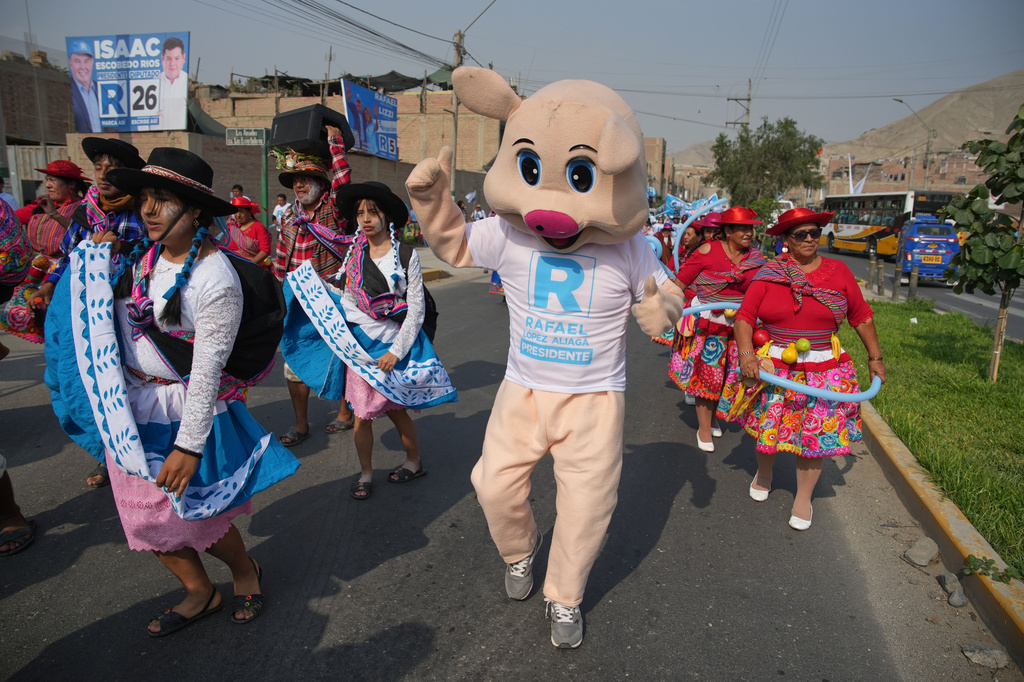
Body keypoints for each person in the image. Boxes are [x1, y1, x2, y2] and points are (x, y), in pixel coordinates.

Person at [44, 147, 299, 634]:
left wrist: (188, 446)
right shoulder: (139, 260)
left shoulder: (215, 279)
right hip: (128, 411)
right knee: (144, 521)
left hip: (181, 412)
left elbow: (205, 375)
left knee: (193, 518)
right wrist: (93, 265)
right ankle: (199, 592)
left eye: (163, 200)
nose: (148, 210)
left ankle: (245, 570)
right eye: (145, 199)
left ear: (195, 207)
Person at [284, 182, 457, 500]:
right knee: (362, 416)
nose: (365, 218)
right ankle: (365, 472)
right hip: (357, 349)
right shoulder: (354, 253)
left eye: (372, 212)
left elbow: (415, 310)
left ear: (387, 217)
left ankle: (414, 461)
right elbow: (348, 297)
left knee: (395, 412)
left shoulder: (405, 255)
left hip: (389, 345)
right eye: (360, 213)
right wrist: (316, 287)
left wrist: (396, 351)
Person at [733, 208, 884, 530]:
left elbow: (861, 316)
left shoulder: (839, 272)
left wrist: (875, 358)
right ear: (786, 240)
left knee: (815, 433)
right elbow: (745, 317)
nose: (810, 239)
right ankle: (764, 473)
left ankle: (803, 498)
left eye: (815, 232)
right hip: (775, 364)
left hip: (824, 365)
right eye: (801, 234)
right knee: (768, 426)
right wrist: (747, 355)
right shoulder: (768, 273)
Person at [272, 125, 356, 442]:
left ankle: (345, 411)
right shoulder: (288, 217)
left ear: (322, 182)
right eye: (296, 180)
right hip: (297, 298)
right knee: (294, 357)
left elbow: (344, 179)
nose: (299, 185)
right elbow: (281, 259)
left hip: (332, 294)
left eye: (306, 179)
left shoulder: (333, 208)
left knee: (343, 352)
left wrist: (334, 142)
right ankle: (301, 424)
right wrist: (278, 297)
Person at [675, 206, 767, 452]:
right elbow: (680, 283)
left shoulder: (756, 259)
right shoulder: (707, 250)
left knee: (729, 376)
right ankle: (704, 427)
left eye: (751, 229)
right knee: (709, 375)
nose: (749, 233)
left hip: (741, 325)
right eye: (743, 229)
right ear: (727, 231)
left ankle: (714, 416)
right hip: (710, 322)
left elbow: (765, 291)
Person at [224, 197, 271, 266]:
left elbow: (265, 250)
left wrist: (249, 264)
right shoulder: (232, 227)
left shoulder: (258, 226)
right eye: (236, 212)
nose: (238, 215)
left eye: (241, 211)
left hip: (253, 269)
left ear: (249, 212)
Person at [68, 40, 100, 133]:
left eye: (86, 61)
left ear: (92, 63)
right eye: (77, 61)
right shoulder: (67, 90)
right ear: (70, 64)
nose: (83, 67)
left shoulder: (102, 90)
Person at [157, 37, 188, 130]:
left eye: (177, 58)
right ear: (162, 59)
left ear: (183, 58)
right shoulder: (154, 83)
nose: (172, 63)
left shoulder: (185, 82)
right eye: (168, 59)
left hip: (179, 133)